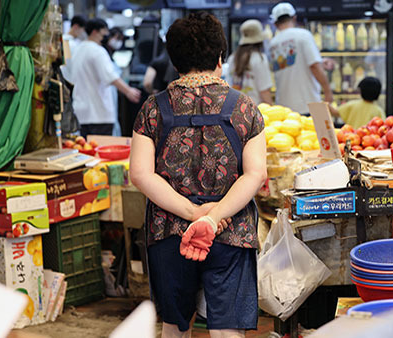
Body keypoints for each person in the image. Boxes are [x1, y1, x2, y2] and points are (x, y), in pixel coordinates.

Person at [130, 12, 267, 338]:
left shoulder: (153, 108)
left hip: (170, 231)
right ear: (220, 58)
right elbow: (255, 173)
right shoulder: (244, 107)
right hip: (231, 230)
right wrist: (213, 216)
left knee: (175, 326)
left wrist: (193, 214)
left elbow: (140, 174)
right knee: (226, 328)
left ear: (175, 61)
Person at [68, 18, 141, 138]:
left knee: (86, 151)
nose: (106, 36)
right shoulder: (97, 51)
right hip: (99, 114)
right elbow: (111, 76)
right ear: (95, 32)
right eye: (104, 32)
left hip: (81, 113)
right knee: (101, 152)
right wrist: (128, 91)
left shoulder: (77, 50)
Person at [269, 2, 333, 114]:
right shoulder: (303, 35)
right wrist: (328, 92)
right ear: (294, 18)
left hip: (283, 109)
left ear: (275, 23)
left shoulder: (273, 44)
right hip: (308, 105)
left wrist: (321, 62)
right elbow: (314, 66)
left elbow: (287, 64)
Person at [226, 19, 273, 105]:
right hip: (254, 111)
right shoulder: (260, 59)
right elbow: (264, 91)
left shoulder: (232, 58)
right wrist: (272, 108)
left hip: (234, 109)